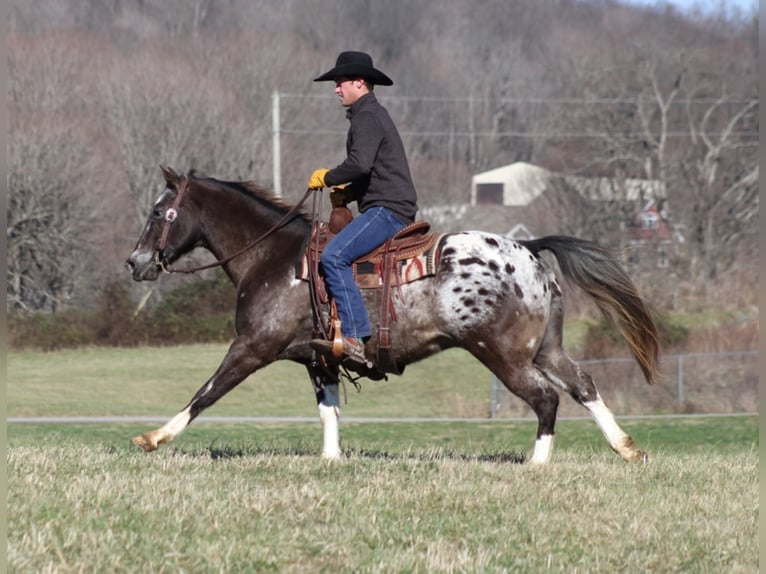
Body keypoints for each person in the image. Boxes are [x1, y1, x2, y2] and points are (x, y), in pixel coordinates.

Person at [307, 51, 418, 369]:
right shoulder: (368, 115)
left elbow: (359, 164)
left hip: (388, 211)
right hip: (384, 205)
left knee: (333, 256)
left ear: (360, 82)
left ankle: (354, 337)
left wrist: (327, 178)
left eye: (340, 82)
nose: (336, 88)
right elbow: (372, 172)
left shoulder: (367, 117)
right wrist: (348, 194)